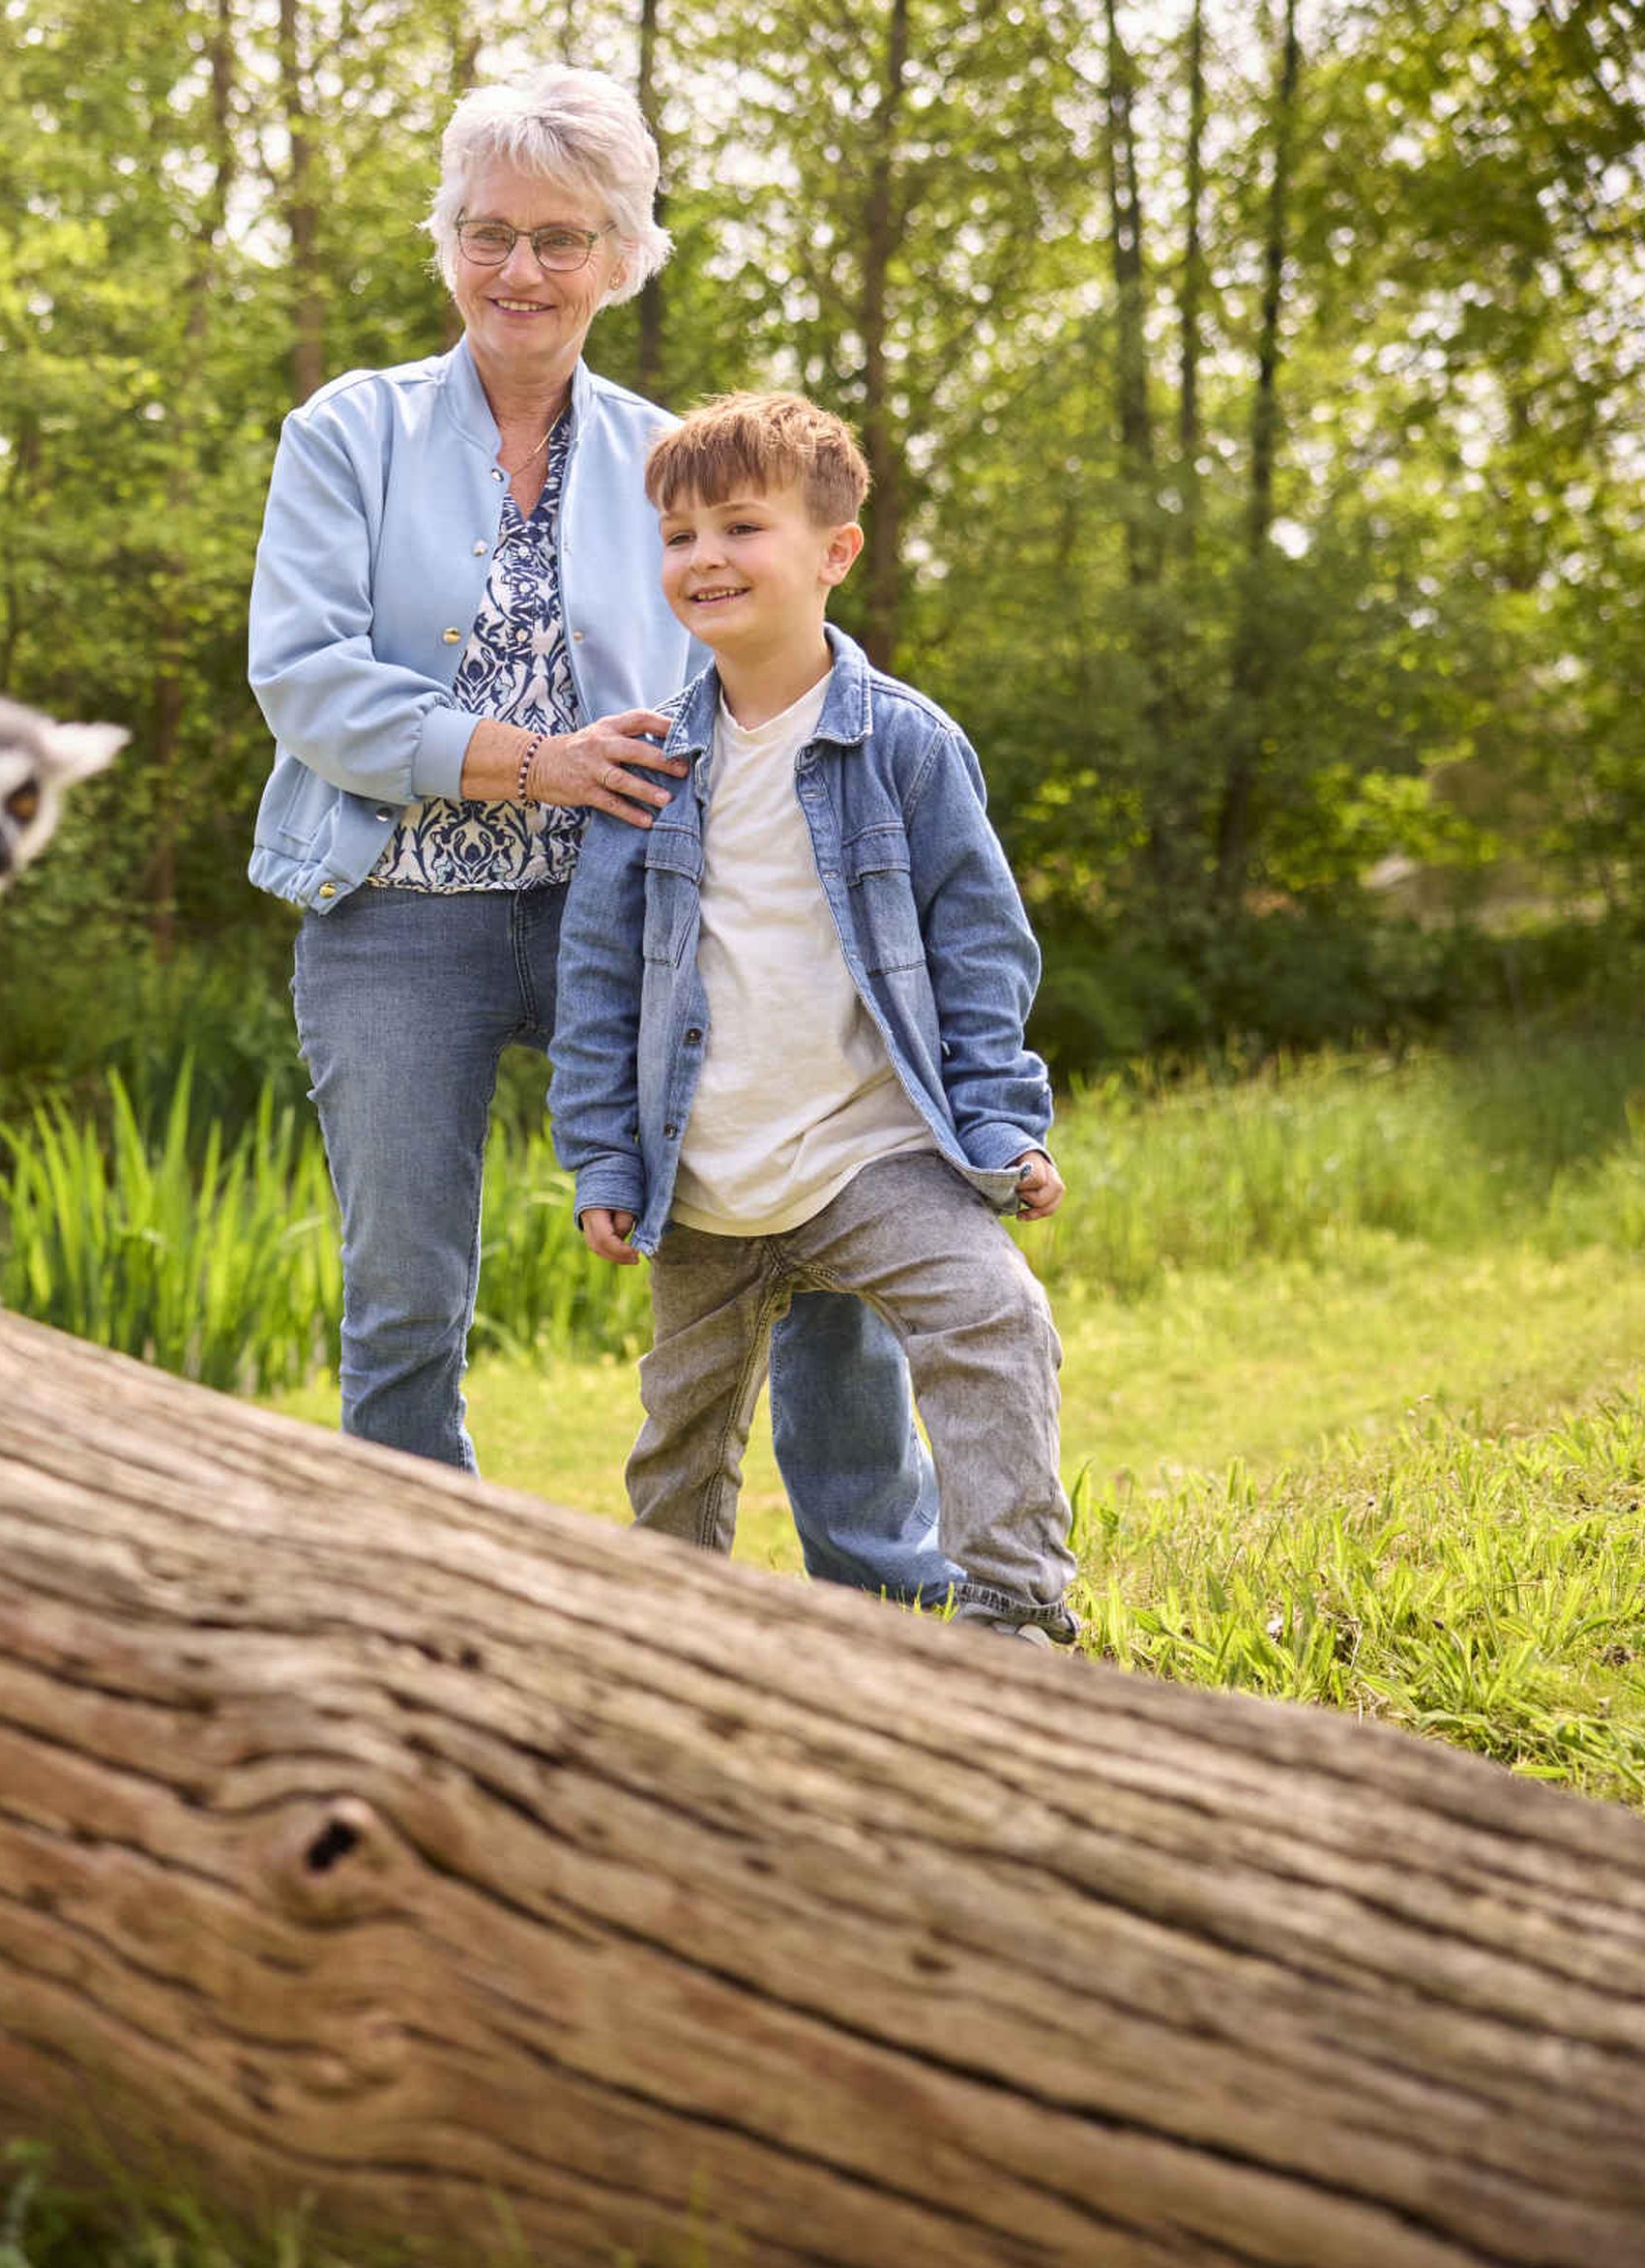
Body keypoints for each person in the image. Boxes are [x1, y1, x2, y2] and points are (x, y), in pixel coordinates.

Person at [244, 63, 959, 1607]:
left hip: (641, 916)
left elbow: (770, 632)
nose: (520, 271)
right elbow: (299, 678)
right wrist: (525, 760)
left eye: (561, 238)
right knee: (406, 1296)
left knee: (818, 1212)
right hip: (395, 905)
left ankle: (889, 1595)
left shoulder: (671, 457)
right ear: (446, 244)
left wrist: (881, 773)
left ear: (624, 256)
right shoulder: (346, 431)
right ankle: (429, 1603)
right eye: (489, 232)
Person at [550, 391, 1075, 1639]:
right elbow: (597, 982)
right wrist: (604, 1156)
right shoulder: (649, 769)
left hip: (870, 1157)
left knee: (994, 1315)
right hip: (705, 1178)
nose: (705, 558)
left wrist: (1001, 1124)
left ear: (835, 552)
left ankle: (1011, 1613)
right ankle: (674, 1631)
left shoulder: (904, 747)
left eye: (740, 525)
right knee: (682, 1431)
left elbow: (980, 946)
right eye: (679, 535)